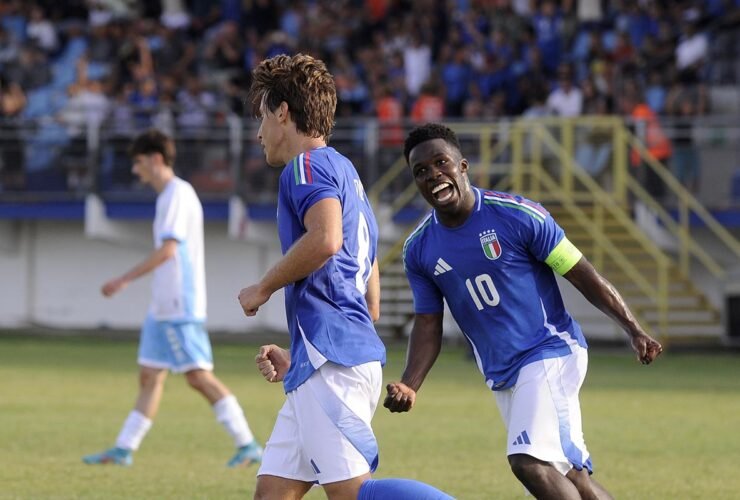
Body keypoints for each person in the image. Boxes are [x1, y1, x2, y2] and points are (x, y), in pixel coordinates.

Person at [384, 123, 663, 499]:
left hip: (548, 351)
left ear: (463, 166)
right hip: (503, 373)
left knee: (527, 461)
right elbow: (428, 323)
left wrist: (634, 328)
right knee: (571, 475)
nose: (433, 174)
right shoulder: (419, 248)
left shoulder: (517, 215)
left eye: (441, 162)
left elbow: (582, 274)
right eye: (421, 171)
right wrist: (410, 383)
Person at [239, 54, 453, 500]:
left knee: (353, 494)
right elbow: (369, 303)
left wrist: (263, 287)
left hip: (332, 363)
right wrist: (302, 353)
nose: (259, 133)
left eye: (262, 117)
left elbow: (326, 239)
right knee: (271, 494)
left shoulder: (305, 166)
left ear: (283, 113)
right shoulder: (346, 173)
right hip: (329, 358)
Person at [83, 129, 263, 468]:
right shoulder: (168, 196)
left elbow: (168, 250)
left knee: (198, 376)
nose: (135, 170)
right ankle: (123, 449)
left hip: (180, 304)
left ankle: (248, 444)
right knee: (150, 376)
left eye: (138, 162)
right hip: (162, 307)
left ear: (155, 159)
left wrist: (123, 279)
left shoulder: (178, 194)